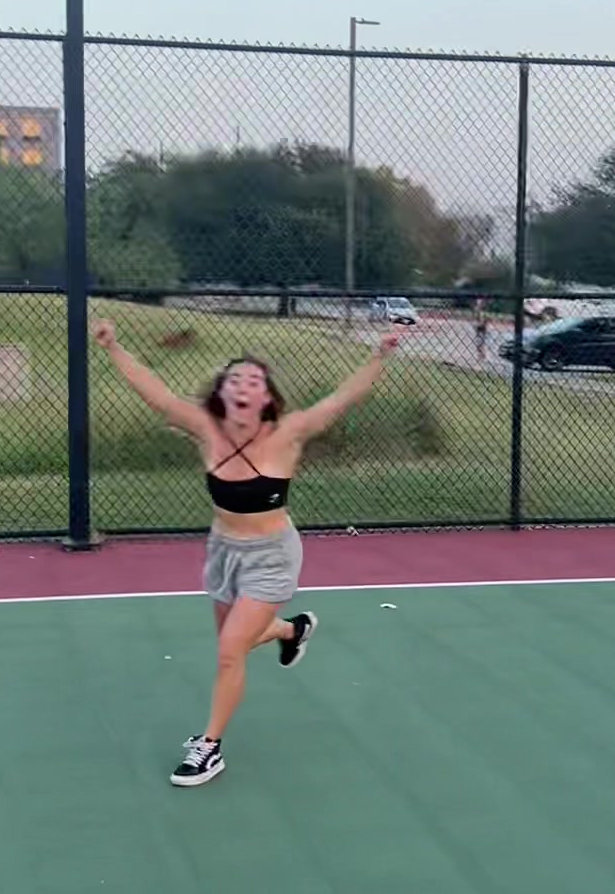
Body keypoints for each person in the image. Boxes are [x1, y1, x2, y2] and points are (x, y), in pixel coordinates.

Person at [92, 319, 404, 787]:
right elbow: (156, 394)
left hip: (271, 557)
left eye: (253, 381)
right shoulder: (206, 429)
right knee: (233, 640)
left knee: (229, 651)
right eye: (234, 379)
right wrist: (114, 346)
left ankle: (209, 747)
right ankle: (291, 630)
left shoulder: (288, 433)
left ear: (266, 398)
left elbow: (342, 399)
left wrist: (379, 356)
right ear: (222, 393)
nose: (242, 385)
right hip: (224, 551)